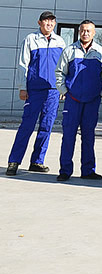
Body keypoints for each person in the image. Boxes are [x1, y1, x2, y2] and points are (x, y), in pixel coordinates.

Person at [6, 11, 66, 176]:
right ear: (39, 23)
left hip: (53, 91)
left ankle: (37, 161)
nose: (49, 24)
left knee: (47, 126)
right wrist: (22, 87)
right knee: (27, 125)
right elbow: (23, 64)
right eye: (46, 21)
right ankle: (14, 161)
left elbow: (63, 67)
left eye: (52, 21)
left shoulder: (60, 41)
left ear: (54, 24)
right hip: (34, 90)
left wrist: (62, 88)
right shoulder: (30, 39)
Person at [54, 20, 102, 181]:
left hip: (92, 101)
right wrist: (64, 91)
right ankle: (65, 170)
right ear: (79, 32)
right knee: (68, 135)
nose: (85, 33)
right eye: (83, 30)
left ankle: (88, 170)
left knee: (88, 136)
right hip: (72, 100)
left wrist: (101, 93)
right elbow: (59, 73)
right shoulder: (69, 51)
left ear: (94, 33)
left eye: (88, 31)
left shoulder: (101, 52)